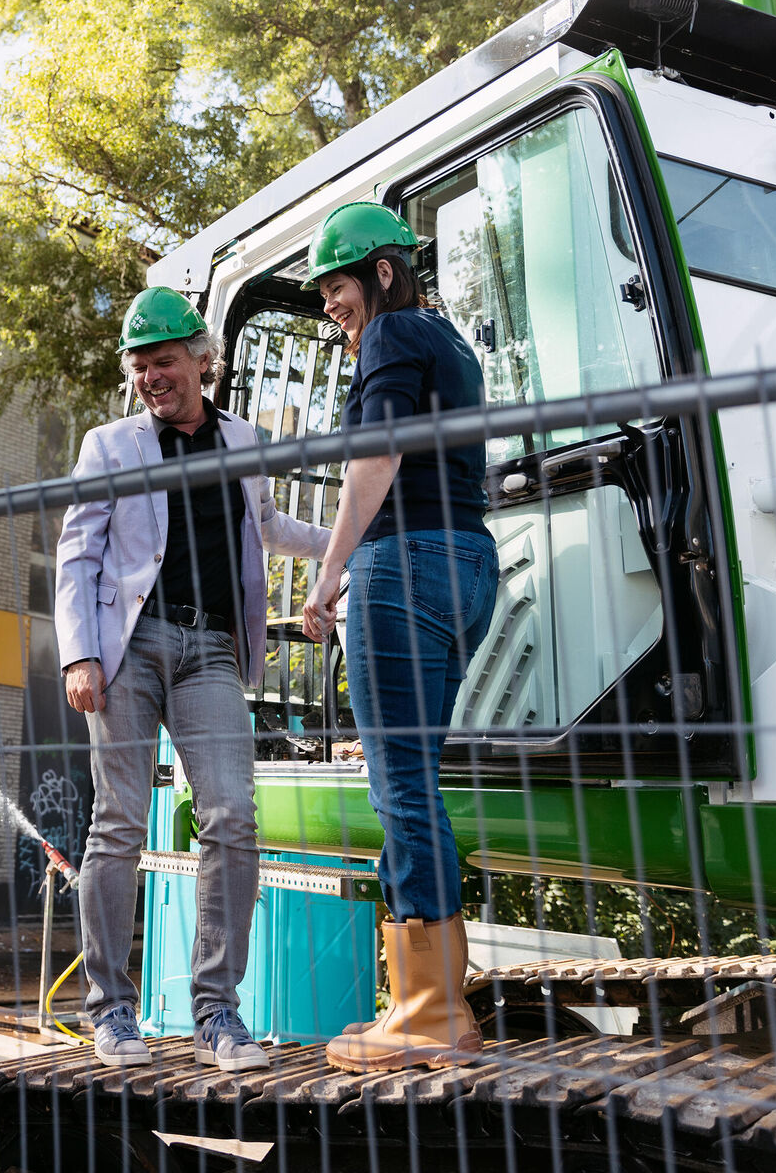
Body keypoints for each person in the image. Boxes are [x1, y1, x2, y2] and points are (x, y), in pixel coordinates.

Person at [56, 286, 330, 1072]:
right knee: (119, 825)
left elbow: (269, 529)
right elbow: (77, 555)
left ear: (202, 361)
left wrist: (347, 544)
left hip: (211, 648)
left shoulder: (243, 438)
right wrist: (80, 654)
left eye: (165, 361)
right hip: (130, 645)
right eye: (140, 366)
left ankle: (218, 1015)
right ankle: (111, 1012)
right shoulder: (108, 446)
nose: (152, 377)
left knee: (232, 816)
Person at [297, 202, 498, 1073]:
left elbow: (375, 457)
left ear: (382, 271)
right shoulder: (454, 347)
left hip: (405, 562)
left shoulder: (391, 334)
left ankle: (427, 1008)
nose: (333, 306)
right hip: (469, 565)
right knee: (416, 780)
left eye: (338, 286)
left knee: (400, 786)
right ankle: (431, 997)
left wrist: (331, 569)